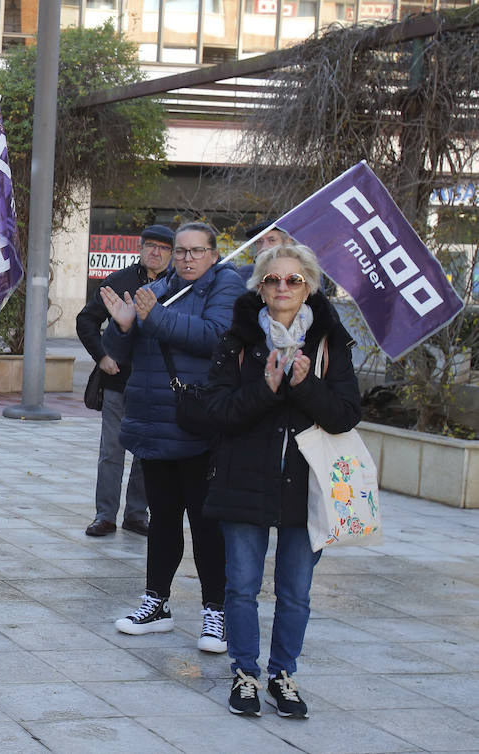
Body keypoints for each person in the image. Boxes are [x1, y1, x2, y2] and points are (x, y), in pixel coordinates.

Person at [203, 244, 361, 718]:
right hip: (244, 479)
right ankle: (245, 673)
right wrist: (267, 388)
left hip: (307, 486)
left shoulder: (331, 342)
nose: (282, 289)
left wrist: (306, 385)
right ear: (260, 287)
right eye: (272, 280)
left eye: (293, 280)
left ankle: (282, 675)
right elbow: (217, 411)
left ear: (309, 286)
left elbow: (346, 416)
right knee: (241, 586)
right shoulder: (237, 340)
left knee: (295, 591)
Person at [100, 221, 241, 653]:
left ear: (214, 254)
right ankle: (156, 602)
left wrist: (152, 318)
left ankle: (216, 611)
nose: (187, 258)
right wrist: (122, 327)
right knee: (162, 520)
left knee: (206, 524)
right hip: (154, 423)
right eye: (181, 251)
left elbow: (216, 338)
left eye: (197, 251)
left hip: (200, 426)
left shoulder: (227, 287)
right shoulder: (159, 290)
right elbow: (118, 357)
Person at [74, 224, 173, 537]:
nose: (155, 252)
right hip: (119, 382)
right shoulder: (120, 281)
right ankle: (105, 515)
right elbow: (86, 320)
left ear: (171, 254)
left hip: (158, 385)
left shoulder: (178, 286)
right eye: (150, 246)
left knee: (146, 453)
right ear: (141, 249)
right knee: (111, 452)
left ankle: (136, 514)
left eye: (163, 248)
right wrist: (102, 356)